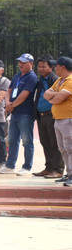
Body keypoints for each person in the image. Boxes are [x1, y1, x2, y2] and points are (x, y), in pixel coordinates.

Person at [0, 54, 38, 175]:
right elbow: (9, 90)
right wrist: (7, 102)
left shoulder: (32, 77)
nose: (21, 64)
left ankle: (27, 167)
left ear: (31, 64)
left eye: (24, 62)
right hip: (15, 113)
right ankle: (10, 165)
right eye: (20, 62)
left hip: (25, 113)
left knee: (27, 141)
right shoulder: (17, 76)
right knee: (12, 140)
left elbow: (25, 94)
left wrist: (12, 105)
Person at [42, 56, 72, 185]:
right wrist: (54, 96)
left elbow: (58, 99)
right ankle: (69, 173)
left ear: (63, 67)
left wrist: (53, 97)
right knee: (63, 148)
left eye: (57, 66)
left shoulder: (70, 81)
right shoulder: (60, 80)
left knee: (70, 148)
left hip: (68, 120)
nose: (55, 68)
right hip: (59, 119)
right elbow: (46, 94)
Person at [34, 56, 64, 179]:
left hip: (51, 115)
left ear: (51, 67)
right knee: (45, 142)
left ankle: (58, 169)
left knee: (54, 143)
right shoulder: (41, 80)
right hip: (41, 116)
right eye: (39, 66)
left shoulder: (55, 79)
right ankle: (49, 168)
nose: (41, 69)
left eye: (43, 66)